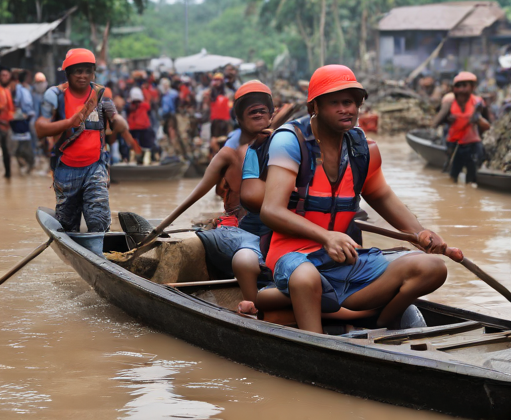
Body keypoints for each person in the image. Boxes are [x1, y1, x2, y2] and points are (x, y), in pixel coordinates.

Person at [248, 65, 449, 333]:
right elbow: (271, 211)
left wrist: (419, 232)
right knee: (307, 278)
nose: (347, 109)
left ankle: (382, 322)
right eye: (335, 103)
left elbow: (381, 195)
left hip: (344, 260)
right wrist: (327, 237)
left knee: (432, 267)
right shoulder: (290, 141)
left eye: (351, 102)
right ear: (315, 107)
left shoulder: (361, 147)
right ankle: (315, 342)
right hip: (293, 258)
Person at [157, 81, 275, 306]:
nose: (258, 113)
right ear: (240, 119)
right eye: (252, 110)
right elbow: (196, 193)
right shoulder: (229, 153)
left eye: (263, 109)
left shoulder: (285, 143)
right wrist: (161, 226)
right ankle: (254, 304)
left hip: (276, 226)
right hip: (242, 229)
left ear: (272, 114)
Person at [35, 48, 129, 246]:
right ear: (68, 73)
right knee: (67, 225)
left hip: (95, 167)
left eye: (87, 71)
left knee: (99, 218)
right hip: (66, 169)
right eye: (78, 71)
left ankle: (101, 252)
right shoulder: (54, 95)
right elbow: (40, 129)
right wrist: (68, 123)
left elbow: (115, 116)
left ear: (93, 72)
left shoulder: (101, 95)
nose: (83, 76)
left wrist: (120, 122)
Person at [433, 71, 490, 186]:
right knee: (452, 175)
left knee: (472, 177)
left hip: (472, 143)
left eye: (465, 86)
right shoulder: (449, 102)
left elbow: (488, 125)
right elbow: (436, 121)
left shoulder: (477, 102)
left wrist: (478, 120)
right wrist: (448, 119)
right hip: (455, 143)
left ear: (472, 87)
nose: (461, 90)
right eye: (458, 86)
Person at [9, 69, 35, 173]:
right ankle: (27, 164)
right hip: (19, 120)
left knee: (23, 145)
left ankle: (26, 164)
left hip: (21, 120)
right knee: (23, 145)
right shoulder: (20, 89)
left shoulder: (22, 89)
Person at [209, 72, 232, 155]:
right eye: (215, 80)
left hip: (225, 122)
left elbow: (230, 106)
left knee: (224, 142)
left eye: (219, 80)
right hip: (215, 122)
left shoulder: (227, 92)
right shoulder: (211, 93)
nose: (217, 82)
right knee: (213, 142)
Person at [0, 66, 14, 178]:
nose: (4, 77)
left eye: (6, 75)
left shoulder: (7, 90)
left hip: (6, 126)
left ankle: (8, 174)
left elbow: (10, 109)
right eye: (2, 75)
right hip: (1, 124)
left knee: (6, 151)